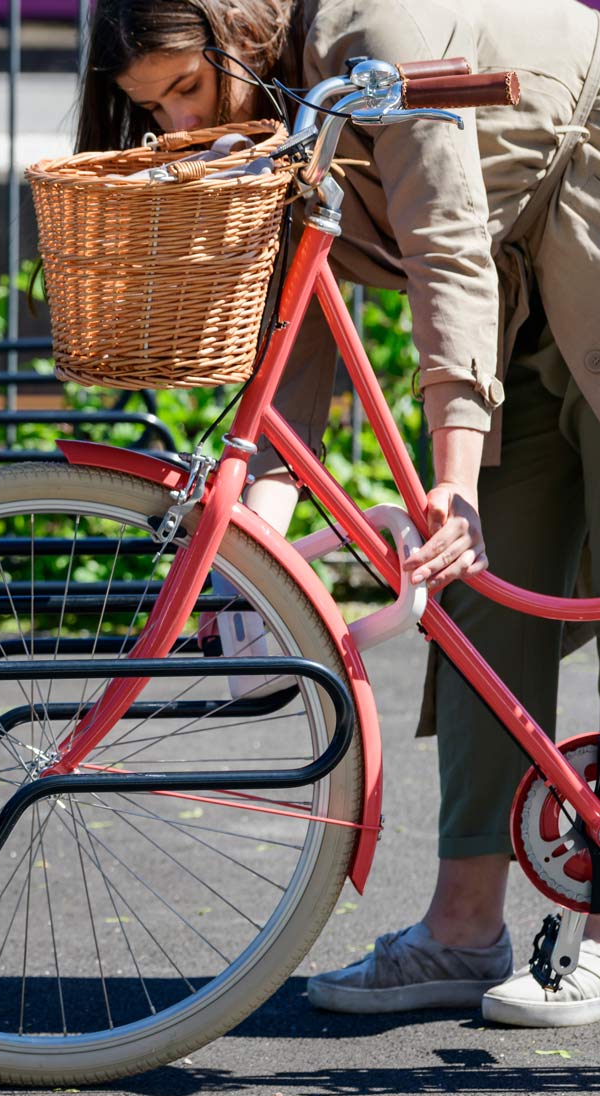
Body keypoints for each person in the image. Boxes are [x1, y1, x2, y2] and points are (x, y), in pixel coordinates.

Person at [76, 0, 600, 1028]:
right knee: (487, 610)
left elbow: (445, 243)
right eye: (153, 112)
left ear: (237, 28)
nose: (179, 128)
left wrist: (447, 475)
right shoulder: (276, 123)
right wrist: (252, 546)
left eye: (186, 89)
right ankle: (460, 932)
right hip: (511, 275)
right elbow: (291, 364)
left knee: (479, 518)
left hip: (580, 217)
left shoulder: (375, 41)